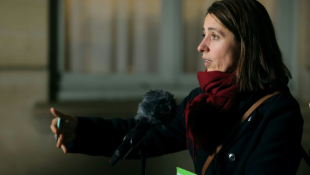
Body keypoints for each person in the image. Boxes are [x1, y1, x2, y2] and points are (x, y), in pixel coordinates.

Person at [50, 0, 304, 174]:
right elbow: (145, 135)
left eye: (214, 36)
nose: (201, 46)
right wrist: (80, 131)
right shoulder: (202, 100)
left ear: (246, 44)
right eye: (202, 34)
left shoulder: (278, 111)